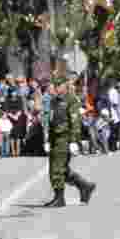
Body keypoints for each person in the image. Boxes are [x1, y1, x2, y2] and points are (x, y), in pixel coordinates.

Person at [43, 74, 96, 207]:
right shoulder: (54, 101)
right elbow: (51, 121)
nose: (56, 88)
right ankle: (84, 186)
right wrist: (48, 140)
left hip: (65, 138)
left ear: (64, 86)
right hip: (55, 137)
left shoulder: (71, 100)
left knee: (56, 169)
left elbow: (75, 122)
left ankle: (59, 198)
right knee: (62, 169)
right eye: (54, 86)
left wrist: (73, 141)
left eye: (58, 86)